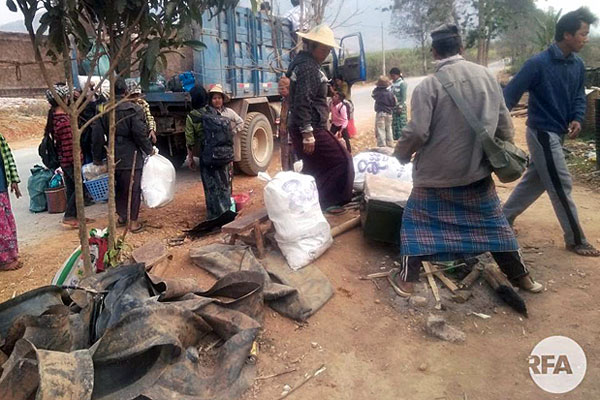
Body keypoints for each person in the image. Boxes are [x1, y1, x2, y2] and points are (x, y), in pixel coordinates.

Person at [392, 24, 542, 297]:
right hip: (476, 173)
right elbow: (504, 126)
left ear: (434, 51)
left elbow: (417, 132)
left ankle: (406, 281)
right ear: (461, 48)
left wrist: (400, 155)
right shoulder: (487, 76)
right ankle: (523, 278)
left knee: (414, 227)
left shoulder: (428, 86)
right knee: (495, 225)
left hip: (434, 178)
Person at [502, 7, 599, 257]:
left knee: (537, 180)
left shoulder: (577, 64)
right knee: (561, 181)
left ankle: (502, 219)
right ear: (566, 35)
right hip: (542, 132)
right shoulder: (537, 64)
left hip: (559, 131)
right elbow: (509, 95)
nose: (585, 38)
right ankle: (576, 239)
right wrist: (498, 128)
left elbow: (579, 94)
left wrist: (577, 117)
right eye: (583, 34)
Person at [286, 24, 355, 209]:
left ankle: (314, 202)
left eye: (328, 49)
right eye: (323, 48)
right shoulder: (308, 67)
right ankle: (331, 202)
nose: (326, 53)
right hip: (310, 127)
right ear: (312, 46)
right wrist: (307, 133)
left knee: (315, 167)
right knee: (343, 161)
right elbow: (302, 101)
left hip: (305, 125)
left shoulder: (303, 62)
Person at [92, 79, 153, 232]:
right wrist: (149, 149)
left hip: (112, 153)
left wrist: (97, 158)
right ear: (126, 92)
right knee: (133, 188)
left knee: (117, 187)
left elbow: (97, 135)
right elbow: (139, 134)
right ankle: (133, 222)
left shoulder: (103, 109)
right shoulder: (134, 109)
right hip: (131, 153)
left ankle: (121, 216)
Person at [185, 85, 243, 220]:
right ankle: (228, 212)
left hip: (207, 155)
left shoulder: (191, 117)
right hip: (222, 154)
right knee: (224, 183)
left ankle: (214, 215)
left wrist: (191, 158)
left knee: (210, 186)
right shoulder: (213, 111)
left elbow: (190, 140)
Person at [45, 83, 92, 228]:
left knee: (72, 188)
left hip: (64, 160)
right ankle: (69, 216)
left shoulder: (56, 117)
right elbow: (69, 145)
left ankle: (77, 216)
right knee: (80, 189)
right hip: (70, 160)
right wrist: (77, 159)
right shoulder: (64, 121)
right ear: (63, 100)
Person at [0, 133, 22, 271]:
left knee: (5, 223)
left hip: (1, 186)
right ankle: (5, 260)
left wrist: (14, 180)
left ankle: (9, 256)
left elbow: (8, 158)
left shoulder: (0, 138)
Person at [126, 80, 157, 144]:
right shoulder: (123, 106)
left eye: (137, 95)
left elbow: (149, 117)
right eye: (133, 95)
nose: (135, 97)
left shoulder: (142, 103)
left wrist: (152, 130)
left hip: (141, 134)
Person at [371, 76, 396, 147]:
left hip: (380, 113)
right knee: (388, 129)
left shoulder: (377, 93)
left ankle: (382, 146)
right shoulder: (390, 93)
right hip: (389, 113)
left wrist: (377, 88)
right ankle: (390, 144)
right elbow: (393, 103)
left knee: (380, 130)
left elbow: (373, 94)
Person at [278, 76, 295, 171]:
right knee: (285, 158)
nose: (279, 91)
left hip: (293, 136)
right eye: (279, 88)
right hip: (285, 136)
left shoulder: (295, 101)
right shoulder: (284, 101)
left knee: (294, 159)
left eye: (282, 88)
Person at [389, 67, 407, 140]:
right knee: (395, 123)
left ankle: (403, 138)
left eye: (393, 76)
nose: (392, 77)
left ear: (398, 75)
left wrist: (400, 106)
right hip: (393, 107)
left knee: (401, 123)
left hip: (400, 107)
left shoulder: (402, 83)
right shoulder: (392, 83)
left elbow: (403, 97)